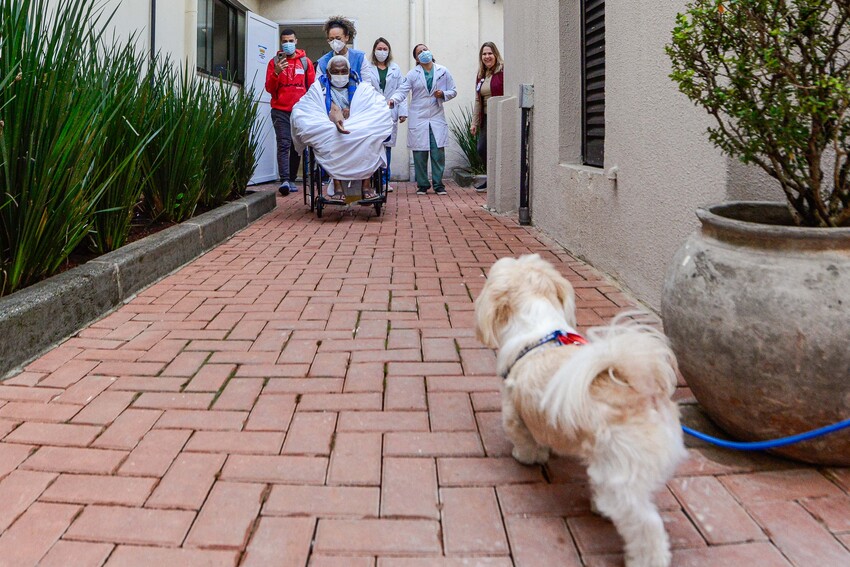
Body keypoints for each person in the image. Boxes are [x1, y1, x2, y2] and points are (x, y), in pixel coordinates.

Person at [291, 56, 392, 203]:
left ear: (350, 71)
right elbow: (303, 109)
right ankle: (338, 186)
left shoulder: (362, 88)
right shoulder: (318, 89)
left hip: (358, 127)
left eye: (343, 71)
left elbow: (377, 107)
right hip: (330, 126)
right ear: (328, 72)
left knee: (369, 134)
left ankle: (366, 185)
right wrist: (333, 114)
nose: (340, 75)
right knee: (333, 134)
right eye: (335, 71)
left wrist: (351, 113)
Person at [390, 44, 457, 195]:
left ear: (430, 52)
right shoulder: (413, 74)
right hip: (418, 116)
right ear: (416, 58)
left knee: (437, 151)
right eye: (419, 52)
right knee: (420, 153)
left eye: (425, 50)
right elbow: (402, 90)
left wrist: (443, 94)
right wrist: (393, 100)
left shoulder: (443, 71)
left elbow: (453, 91)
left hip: (436, 115)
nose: (423, 53)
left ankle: (439, 185)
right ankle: (422, 185)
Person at [265, 28, 316, 196]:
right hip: (280, 110)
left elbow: (311, 88)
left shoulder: (305, 62)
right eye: (284, 41)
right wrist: (276, 73)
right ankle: (285, 180)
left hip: (300, 111)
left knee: (296, 146)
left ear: (296, 41)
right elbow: (269, 89)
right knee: (283, 143)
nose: (288, 44)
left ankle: (292, 179)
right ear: (281, 42)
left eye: (290, 41)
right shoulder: (274, 62)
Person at [365, 37, 407, 193]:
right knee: (372, 147)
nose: (382, 52)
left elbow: (401, 90)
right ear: (374, 50)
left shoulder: (395, 69)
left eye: (384, 49)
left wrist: (402, 112)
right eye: (379, 48)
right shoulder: (367, 68)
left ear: (388, 51)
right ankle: (370, 179)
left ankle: (384, 180)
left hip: (390, 110)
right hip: (373, 111)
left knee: (387, 147)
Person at [470, 42, 504, 193]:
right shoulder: (481, 75)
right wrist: (474, 123)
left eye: (490, 53)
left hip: (500, 116)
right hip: (486, 118)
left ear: (496, 54)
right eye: (484, 54)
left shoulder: (502, 72)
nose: (487, 56)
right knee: (482, 148)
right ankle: (491, 178)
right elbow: (478, 100)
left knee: (499, 149)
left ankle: (499, 180)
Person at [315, 16, 379, 91]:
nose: (335, 42)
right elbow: (318, 88)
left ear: (347, 37)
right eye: (331, 39)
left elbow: (367, 84)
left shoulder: (359, 58)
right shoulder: (323, 62)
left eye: (338, 38)